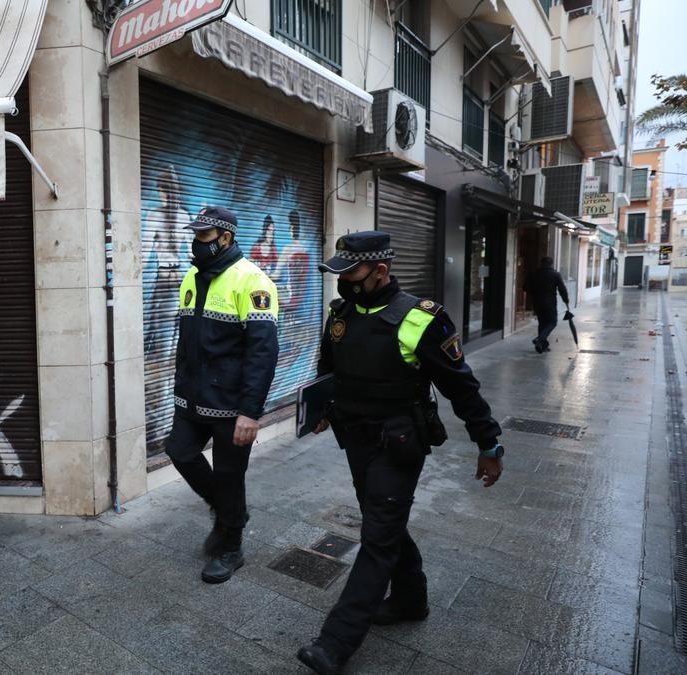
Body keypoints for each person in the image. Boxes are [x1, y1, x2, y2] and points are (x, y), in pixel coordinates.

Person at [296, 231, 504, 674]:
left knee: (377, 537)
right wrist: (320, 410)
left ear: (380, 271)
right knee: (382, 524)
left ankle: (335, 643)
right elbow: (328, 370)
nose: (342, 280)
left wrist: (489, 443)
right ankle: (411, 600)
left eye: (350, 272)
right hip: (355, 438)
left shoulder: (422, 318)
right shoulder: (341, 313)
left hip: (399, 443)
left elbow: (461, 388)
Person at [166, 205, 279, 584]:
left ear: (225, 238)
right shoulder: (191, 278)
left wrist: (250, 411)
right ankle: (230, 512)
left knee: (230, 475)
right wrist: (179, 385)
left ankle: (231, 547)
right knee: (179, 451)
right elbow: (186, 342)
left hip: (232, 406)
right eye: (195, 235)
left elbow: (262, 354)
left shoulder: (253, 281)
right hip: (191, 398)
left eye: (203, 236)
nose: (195, 242)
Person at [523, 256, 569, 353]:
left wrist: (535, 293)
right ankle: (540, 339)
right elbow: (562, 289)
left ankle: (541, 346)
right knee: (552, 322)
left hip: (537, 302)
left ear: (541, 263)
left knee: (542, 323)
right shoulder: (555, 274)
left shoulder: (533, 274)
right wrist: (566, 300)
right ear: (551, 264)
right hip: (550, 303)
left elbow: (525, 287)